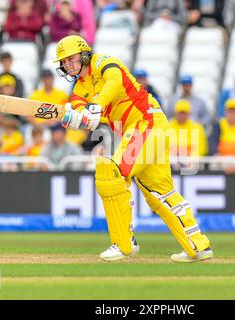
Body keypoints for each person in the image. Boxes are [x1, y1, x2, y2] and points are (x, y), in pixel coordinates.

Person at [54, 35, 212, 262]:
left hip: (146, 123)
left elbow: (114, 82)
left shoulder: (103, 62)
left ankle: (124, 243)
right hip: (147, 130)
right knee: (159, 193)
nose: (68, 64)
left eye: (71, 58)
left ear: (84, 53)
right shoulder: (79, 90)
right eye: (64, 62)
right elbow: (86, 118)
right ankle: (197, 246)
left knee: (111, 172)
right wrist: (76, 118)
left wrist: (96, 106)